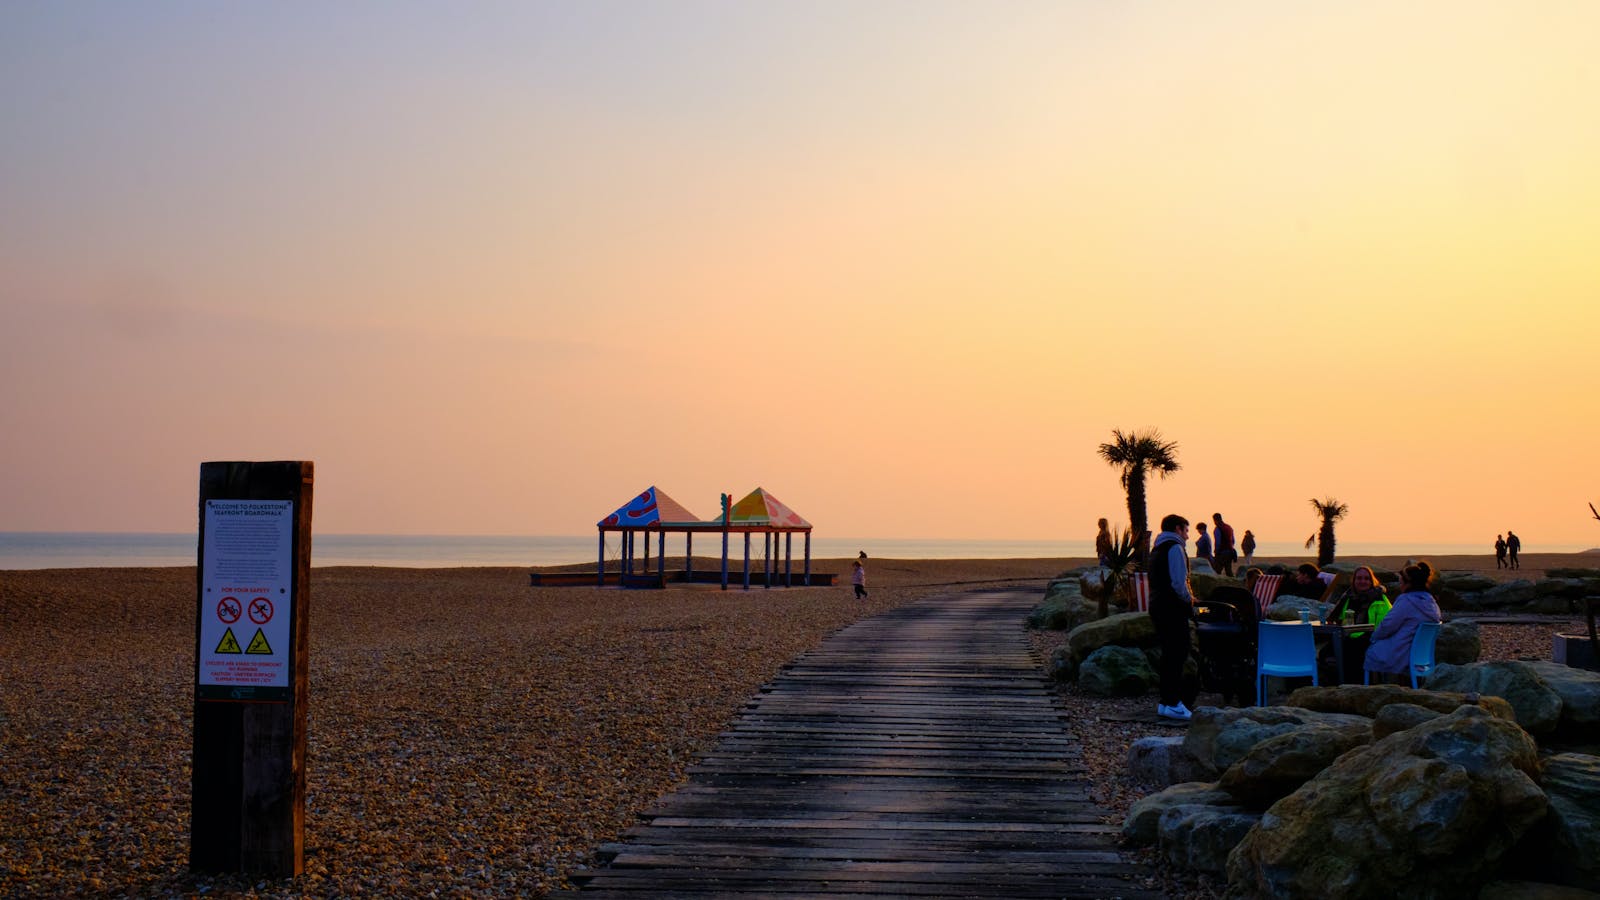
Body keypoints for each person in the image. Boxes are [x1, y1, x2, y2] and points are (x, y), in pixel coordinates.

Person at [1148, 513, 1195, 721]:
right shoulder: (1175, 548)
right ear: (1177, 529)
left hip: (1158, 606)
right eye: (1186, 530)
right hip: (1172, 608)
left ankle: (1166, 702)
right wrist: (1190, 601)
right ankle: (1173, 702)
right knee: (1178, 652)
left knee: (1168, 654)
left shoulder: (1157, 548)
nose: (1187, 536)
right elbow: (1178, 582)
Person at [1364, 561, 1443, 681]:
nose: (1399, 586)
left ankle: (1366, 686)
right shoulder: (1431, 603)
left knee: (1367, 648)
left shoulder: (1406, 601)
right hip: (1421, 656)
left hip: (1401, 653)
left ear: (1408, 584)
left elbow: (1387, 626)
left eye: (1401, 582)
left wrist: (1373, 637)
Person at [1323, 565, 1393, 682]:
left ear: (1372, 581)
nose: (1362, 581)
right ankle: (1335, 681)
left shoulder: (1379, 598)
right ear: (1354, 581)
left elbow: (1387, 623)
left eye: (1366, 579)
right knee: (1325, 651)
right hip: (1349, 636)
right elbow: (1338, 619)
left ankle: (1353, 683)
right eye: (1359, 578)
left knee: (1350, 650)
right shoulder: (1348, 597)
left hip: (1372, 638)